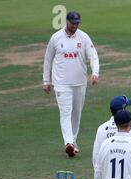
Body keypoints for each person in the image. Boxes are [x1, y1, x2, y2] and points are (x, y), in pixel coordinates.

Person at [43, 11, 100, 157]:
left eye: (77, 23)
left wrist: (95, 73)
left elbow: (93, 56)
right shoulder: (56, 38)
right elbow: (48, 60)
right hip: (61, 83)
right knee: (65, 112)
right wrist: (46, 81)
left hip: (80, 82)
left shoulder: (83, 37)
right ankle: (68, 142)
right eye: (72, 23)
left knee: (76, 112)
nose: (75, 26)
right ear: (66, 22)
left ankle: (73, 142)